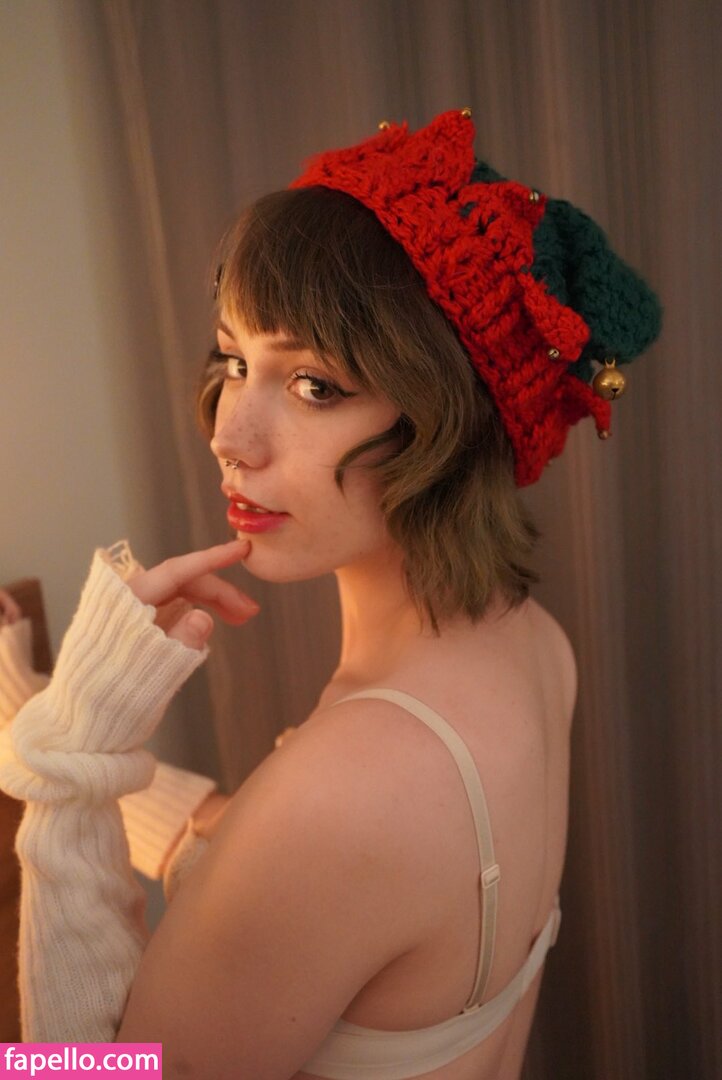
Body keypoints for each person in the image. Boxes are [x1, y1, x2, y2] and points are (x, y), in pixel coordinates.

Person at [0, 109, 661, 1079]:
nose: (231, 436)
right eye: (236, 361)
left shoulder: (342, 790)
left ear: (453, 420)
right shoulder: (528, 646)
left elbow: (76, 1070)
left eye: (314, 385)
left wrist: (69, 774)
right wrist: (38, 726)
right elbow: (281, 874)